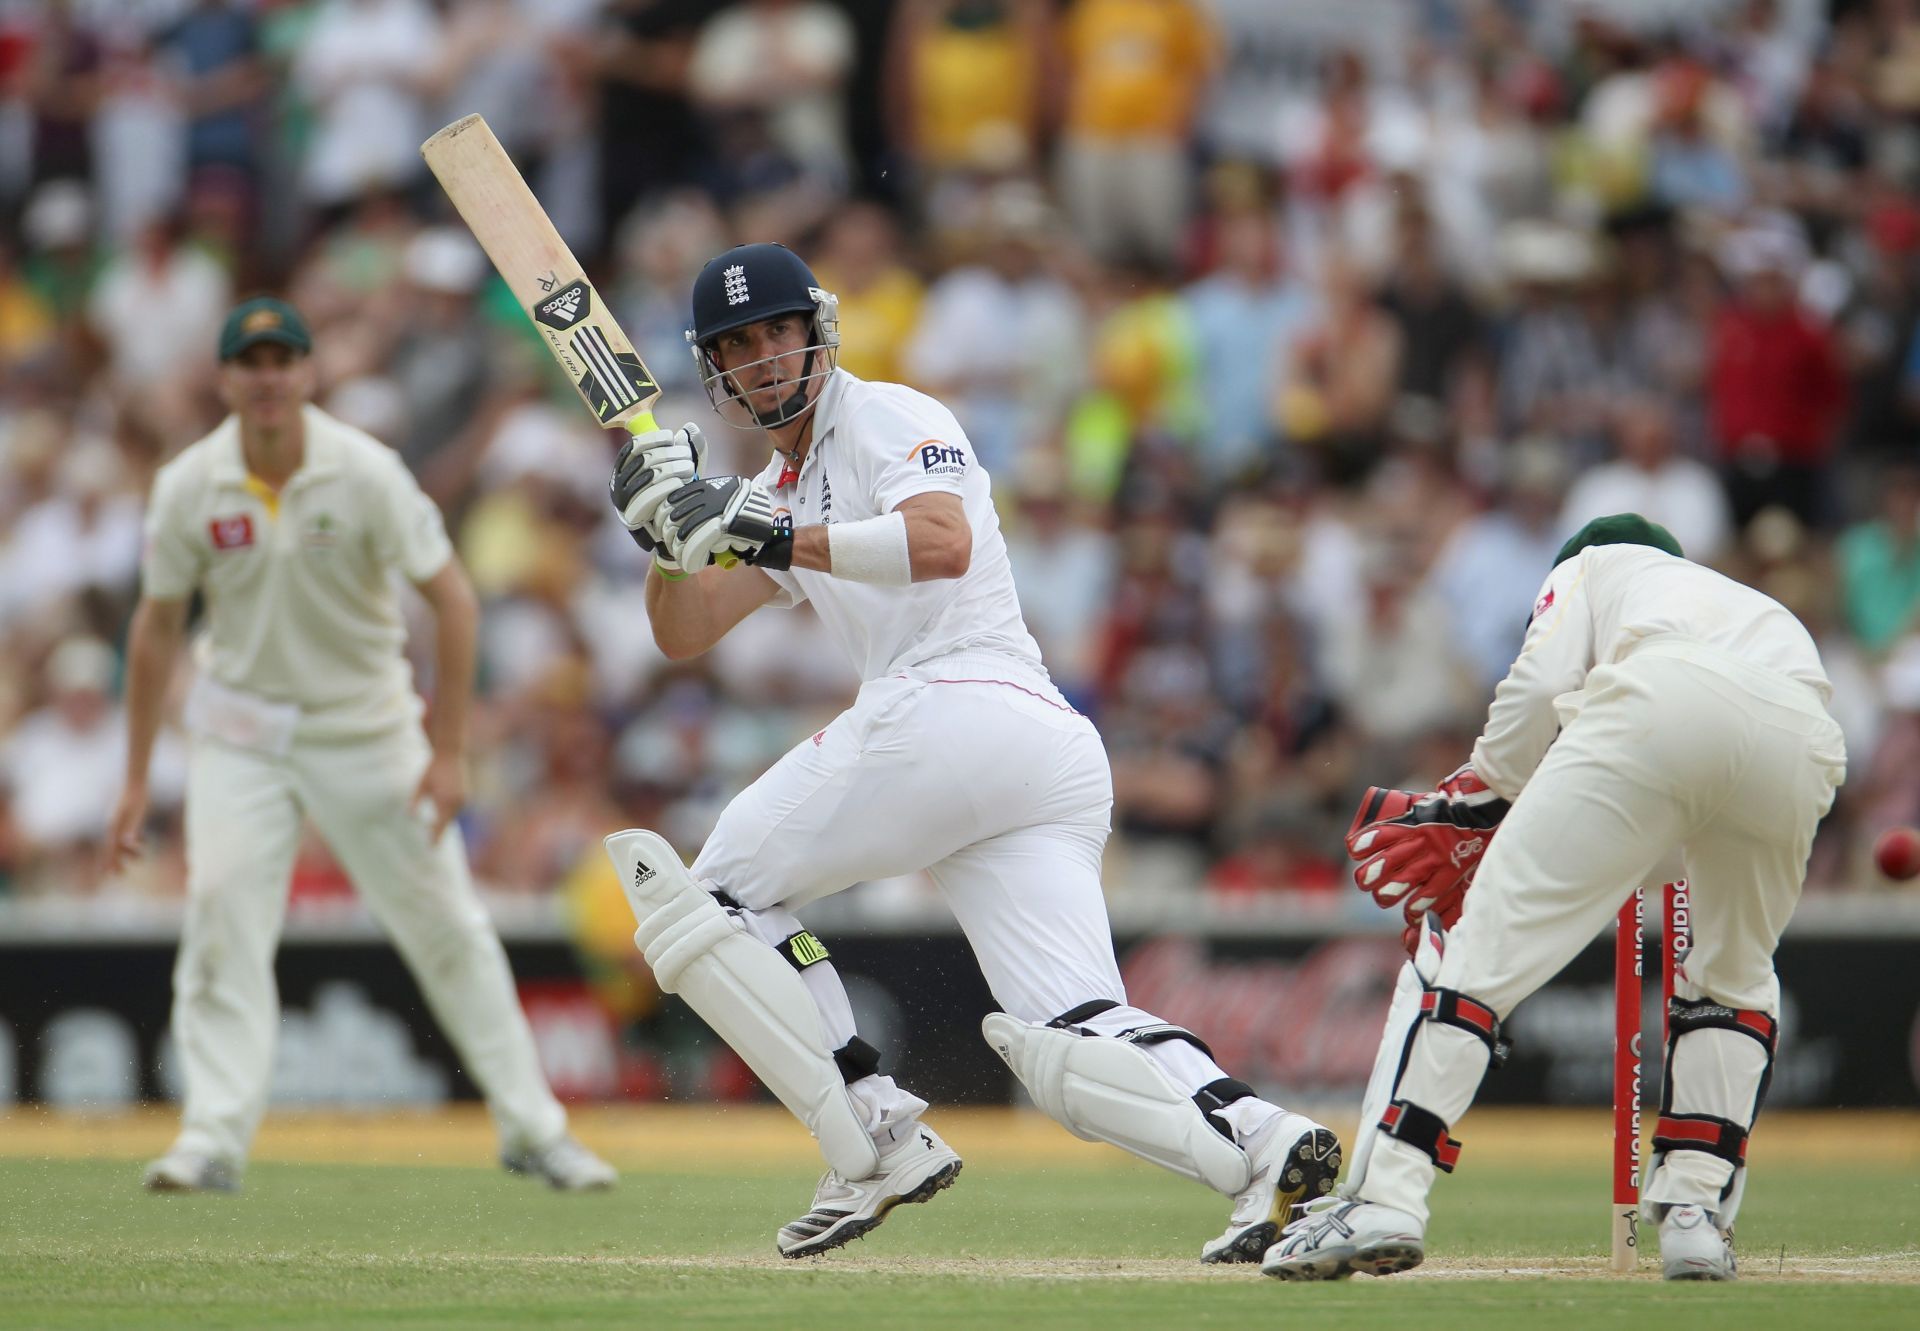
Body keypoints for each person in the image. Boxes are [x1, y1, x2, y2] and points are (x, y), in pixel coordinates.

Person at [602, 242, 1341, 1260]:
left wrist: (765, 533)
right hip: (1024, 752)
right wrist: (660, 534)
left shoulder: (886, 415)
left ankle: (871, 1130)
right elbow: (683, 630)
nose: (764, 357)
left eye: (776, 330)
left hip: (959, 703)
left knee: (717, 889)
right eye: (738, 344)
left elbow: (939, 540)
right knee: (1069, 1032)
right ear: (716, 368)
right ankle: (1268, 1141)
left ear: (816, 329)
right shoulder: (782, 481)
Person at [109, 297, 615, 1195]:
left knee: (448, 922)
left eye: (283, 360)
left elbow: (456, 602)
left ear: (308, 372)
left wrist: (450, 752)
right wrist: (137, 774)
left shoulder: (366, 471)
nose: (268, 378)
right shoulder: (189, 482)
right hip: (241, 729)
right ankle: (212, 1138)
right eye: (250, 362)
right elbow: (155, 630)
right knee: (223, 910)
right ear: (225, 378)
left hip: (366, 727)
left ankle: (536, 1128)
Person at [1265, 514, 1845, 1282]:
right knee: (1735, 973)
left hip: (1660, 705)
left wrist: (1483, 796)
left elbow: (1540, 686)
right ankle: (1695, 1217)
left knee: (1480, 946)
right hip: (1800, 739)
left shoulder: (1592, 564)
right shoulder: (1731, 600)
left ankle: (1387, 1198)